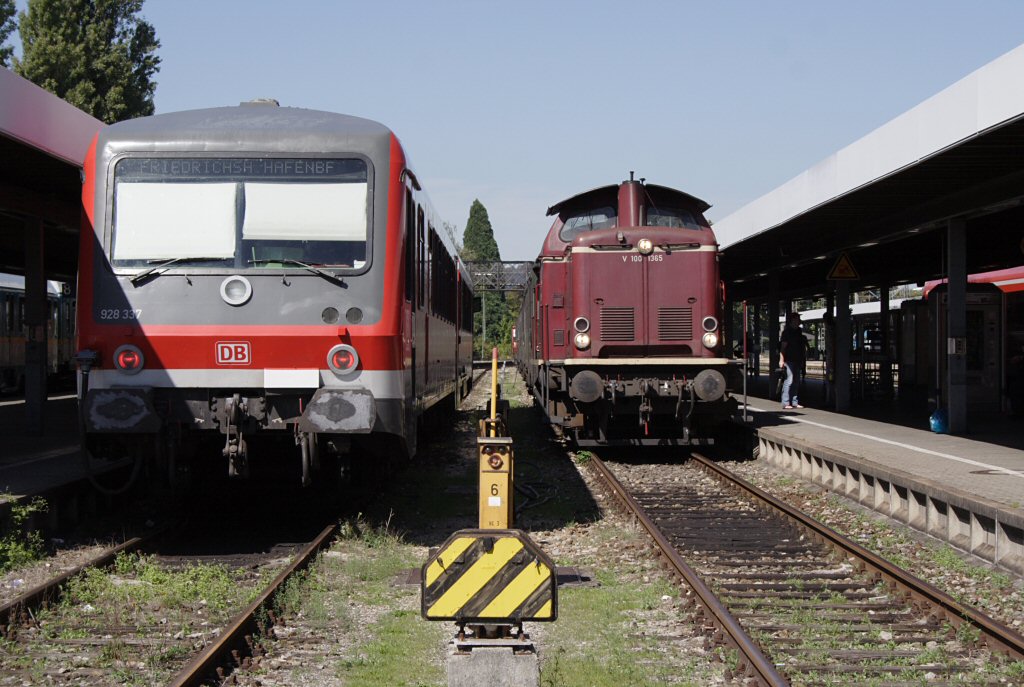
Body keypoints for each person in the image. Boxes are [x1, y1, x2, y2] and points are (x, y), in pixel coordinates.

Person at [779, 311, 807, 409]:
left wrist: (803, 359)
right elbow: (783, 347)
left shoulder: (799, 331)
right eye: (798, 319)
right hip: (789, 360)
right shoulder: (786, 332)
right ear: (793, 320)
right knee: (789, 381)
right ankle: (786, 402)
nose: (799, 321)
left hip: (797, 359)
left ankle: (794, 401)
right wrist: (781, 360)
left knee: (796, 381)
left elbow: (801, 346)